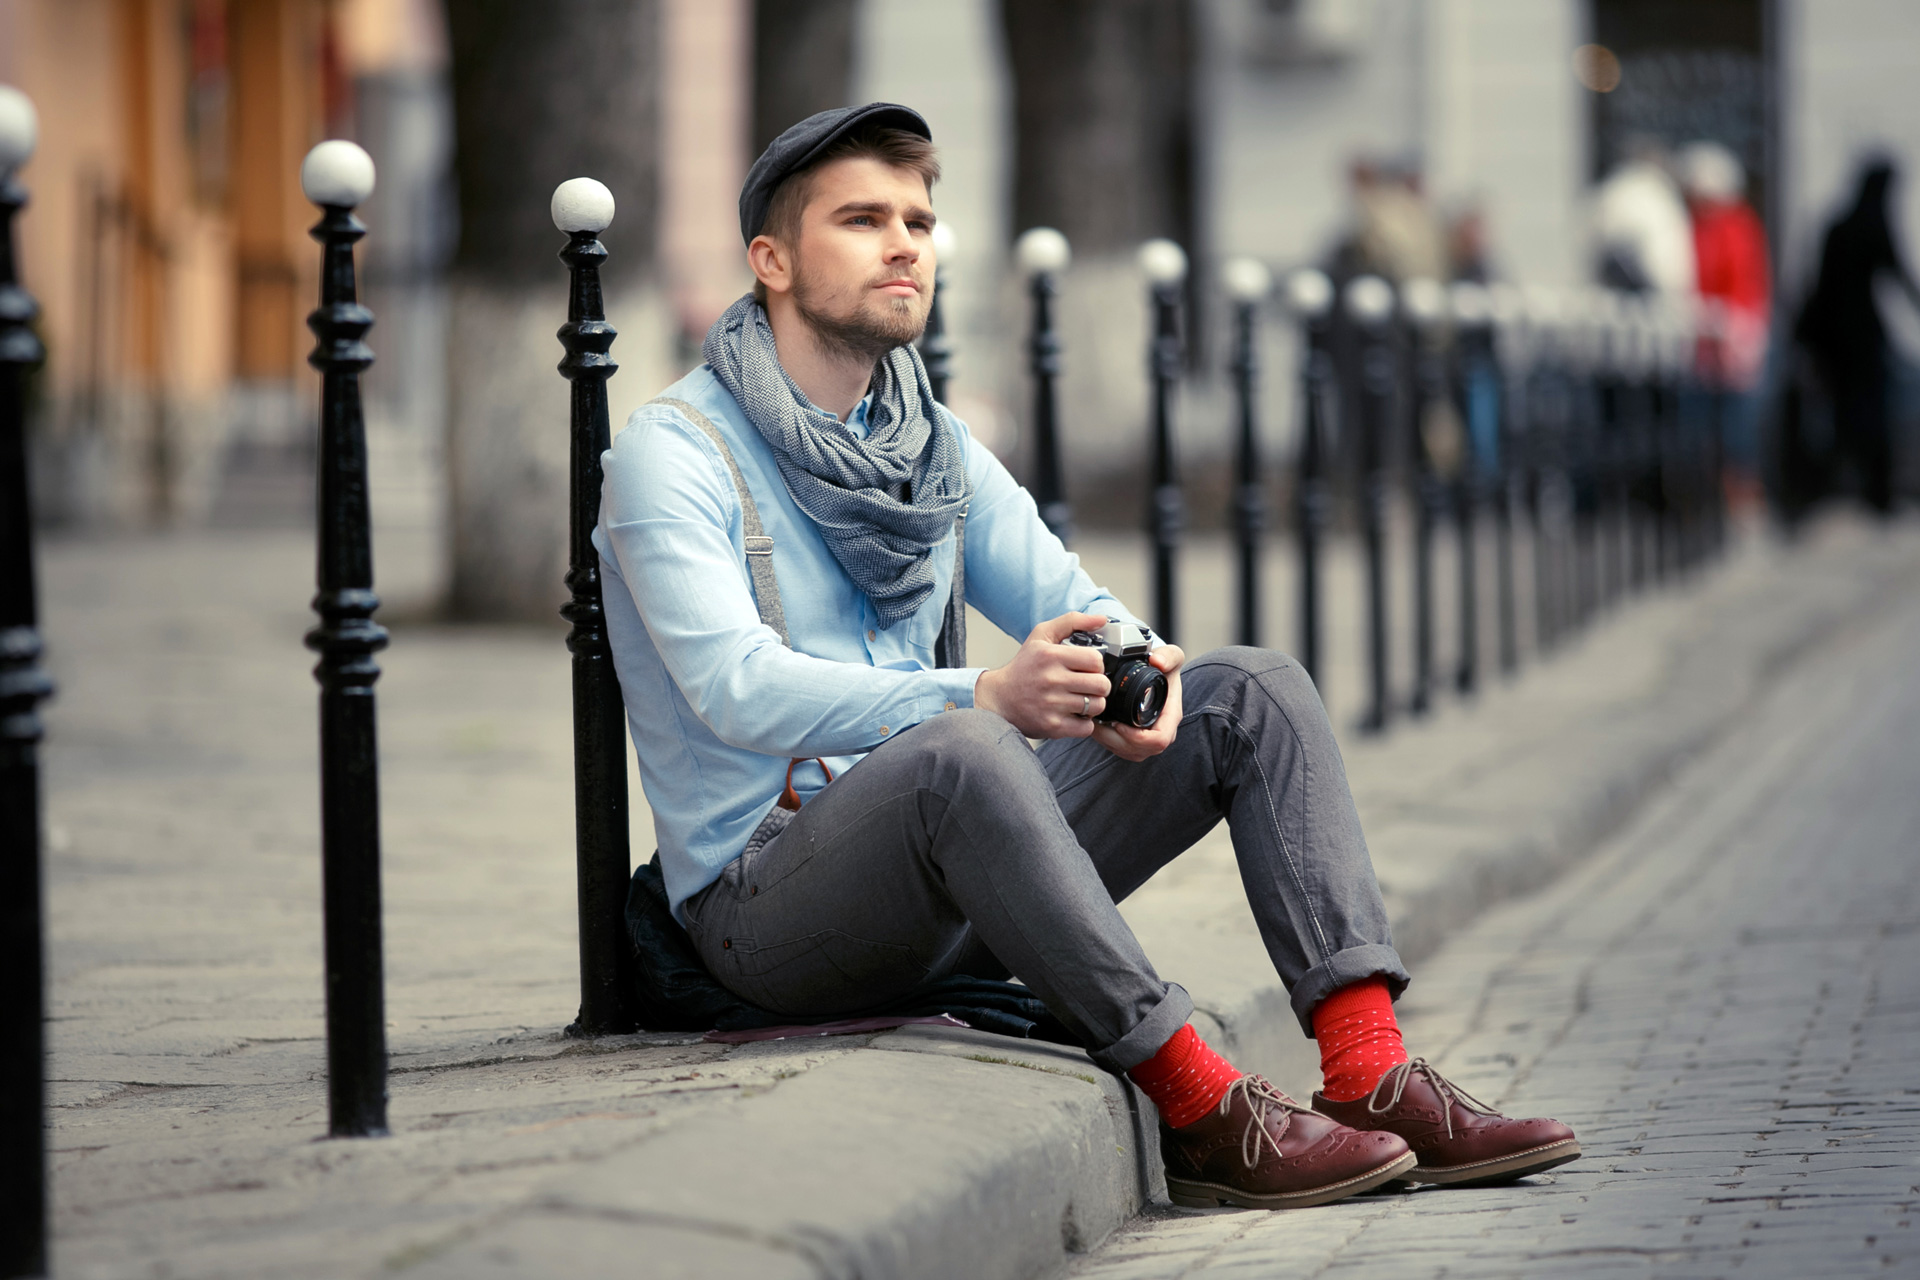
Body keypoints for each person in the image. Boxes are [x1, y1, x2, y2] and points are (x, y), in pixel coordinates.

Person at [594, 103, 1580, 1211]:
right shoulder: (671, 454)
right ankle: (1205, 1111)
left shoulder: (931, 443)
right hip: (766, 905)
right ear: (769, 259)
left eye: (918, 218)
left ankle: (1371, 1072)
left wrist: (1137, 674)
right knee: (963, 747)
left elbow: (1078, 602)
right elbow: (735, 687)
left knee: (1247, 689)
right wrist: (984, 692)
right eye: (863, 219)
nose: (905, 242)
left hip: (959, 856)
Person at [1793, 157, 1920, 515]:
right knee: (1872, 414)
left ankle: (1840, 486)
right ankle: (1872, 492)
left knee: (1842, 414)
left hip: (1834, 339)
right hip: (1860, 339)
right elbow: (1899, 276)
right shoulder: (1873, 226)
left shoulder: (1840, 225)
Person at [1680, 141, 1771, 495]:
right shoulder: (1707, 227)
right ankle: (1710, 492)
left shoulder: (1734, 226)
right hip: (1708, 335)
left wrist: (1729, 327)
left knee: (1737, 424)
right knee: (1709, 424)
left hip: (1733, 336)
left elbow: (1738, 281)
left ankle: (1739, 491)